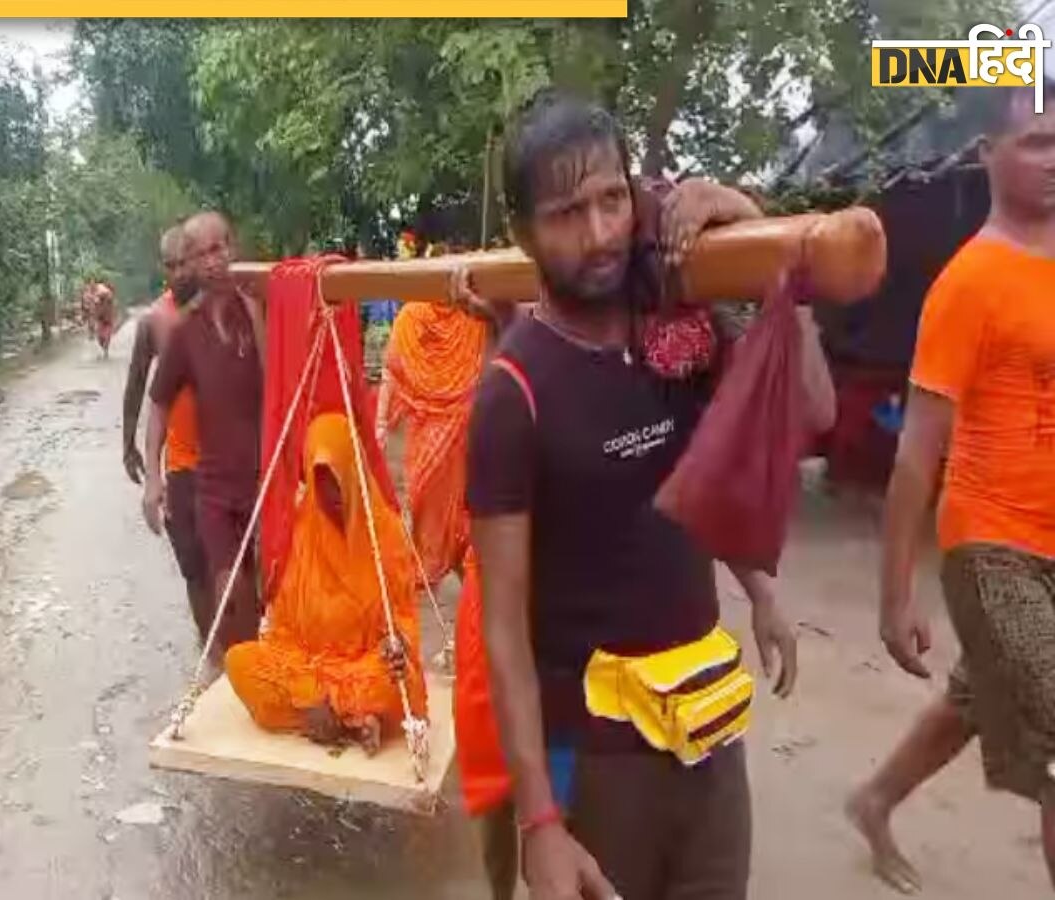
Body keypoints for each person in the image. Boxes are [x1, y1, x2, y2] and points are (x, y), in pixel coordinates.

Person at [467, 91, 830, 900]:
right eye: (567, 213)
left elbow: (811, 410)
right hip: (594, 759)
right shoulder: (513, 393)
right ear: (525, 234)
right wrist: (540, 824)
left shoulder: (677, 332)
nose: (600, 234)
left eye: (611, 199)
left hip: (708, 736)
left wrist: (753, 223)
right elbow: (502, 627)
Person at [850, 80, 1055, 894]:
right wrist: (894, 595)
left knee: (978, 696)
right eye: (1034, 142)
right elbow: (916, 453)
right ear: (988, 156)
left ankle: (874, 799)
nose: (1052, 160)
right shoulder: (967, 284)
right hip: (989, 540)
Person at [225, 412, 427, 753]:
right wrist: (309, 695)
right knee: (239, 662)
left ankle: (340, 719)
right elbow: (282, 633)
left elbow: (404, 621)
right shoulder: (303, 532)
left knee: (399, 680)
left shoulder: (387, 534)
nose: (331, 492)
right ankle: (339, 721)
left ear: (354, 471)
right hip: (310, 669)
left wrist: (398, 648)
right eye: (320, 479)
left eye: (335, 477)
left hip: (364, 669)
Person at [145, 211, 266, 659]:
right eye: (202, 253)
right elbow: (157, 403)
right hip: (213, 491)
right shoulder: (184, 332)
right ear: (190, 264)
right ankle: (230, 676)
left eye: (220, 248)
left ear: (233, 248)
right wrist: (155, 478)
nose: (214, 261)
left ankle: (247, 679)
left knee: (264, 594)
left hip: (258, 482)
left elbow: (274, 389)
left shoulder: (253, 312)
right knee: (228, 591)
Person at [376, 240, 491, 586]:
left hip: (467, 432)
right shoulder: (413, 315)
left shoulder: (473, 315)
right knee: (424, 500)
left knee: (464, 520)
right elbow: (392, 370)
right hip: (428, 434)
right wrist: (381, 421)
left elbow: (493, 362)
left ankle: (465, 578)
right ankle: (434, 567)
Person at [121, 225, 212, 646]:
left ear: (198, 261)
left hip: (225, 462)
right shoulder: (155, 322)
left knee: (238, 565)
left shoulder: (224, 309)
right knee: (194, 568)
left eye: (184, 263)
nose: (178, 272)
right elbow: (138, 386)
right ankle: (209, 653)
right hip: (181, 466)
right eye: (170, 265)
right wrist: (130, 448)